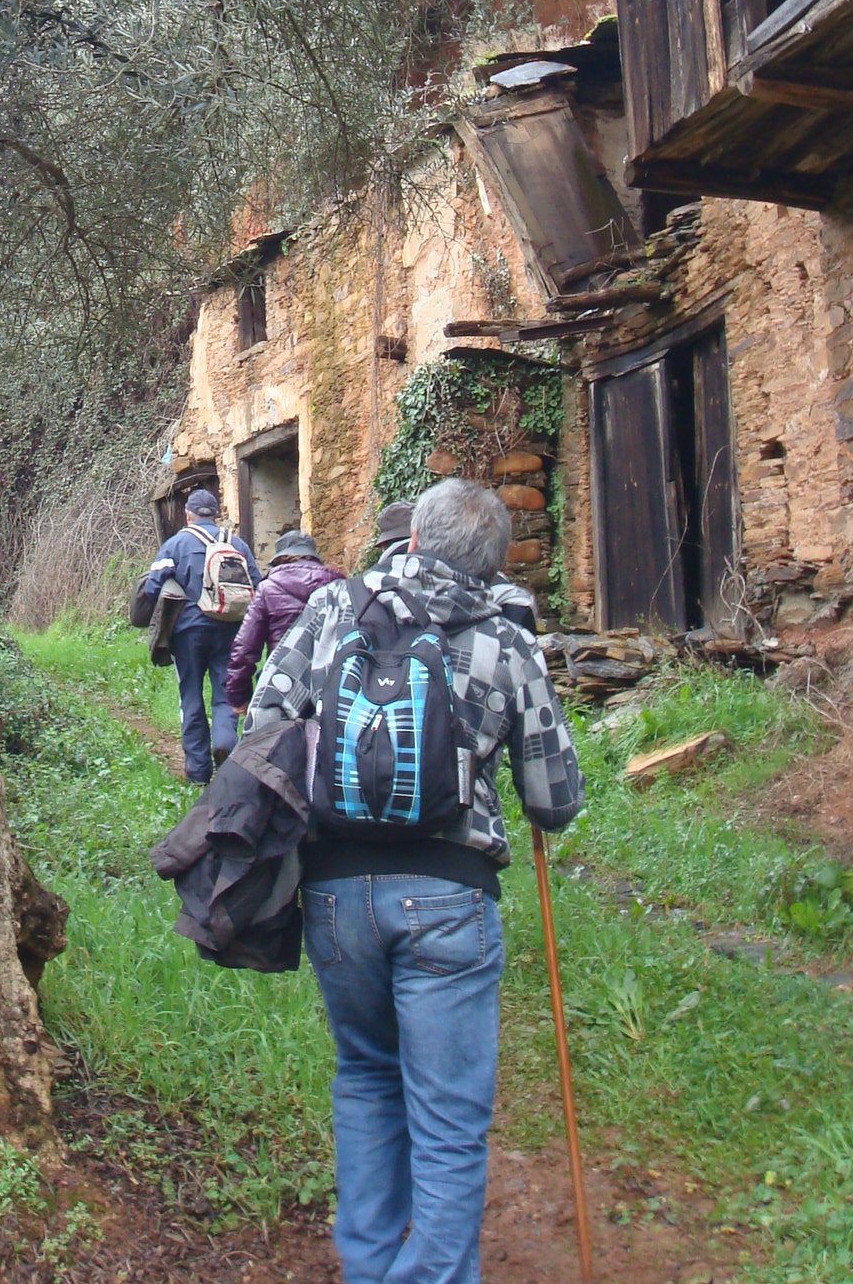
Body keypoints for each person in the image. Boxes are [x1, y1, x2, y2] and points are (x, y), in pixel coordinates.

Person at [246, 479, 584, 1284]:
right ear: (495, 562)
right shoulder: (507, 639)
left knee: (366, 1077)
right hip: (448, 896)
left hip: (334, 893)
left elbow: (263, 724)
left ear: (415, 538)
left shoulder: (333, 608)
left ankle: (368, 1268)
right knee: (448, 1116)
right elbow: (555, 802)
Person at [139, 487, 261, 783]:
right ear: (215, 513)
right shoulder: (237, 544)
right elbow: (257, 583)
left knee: (190, 695)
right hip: (230, 630)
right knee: (225, 693)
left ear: (188, 514)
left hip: (189, 633)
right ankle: (224, 745)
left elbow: (153, 585)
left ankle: (197, 770)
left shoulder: (177, 543)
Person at [225, 528, 341, 718]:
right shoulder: (338, 584)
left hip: (281, 683)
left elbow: (245, 647)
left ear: (280, 558)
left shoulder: (267, 588)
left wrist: (238, 696)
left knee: (277, 743)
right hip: (328, 682)